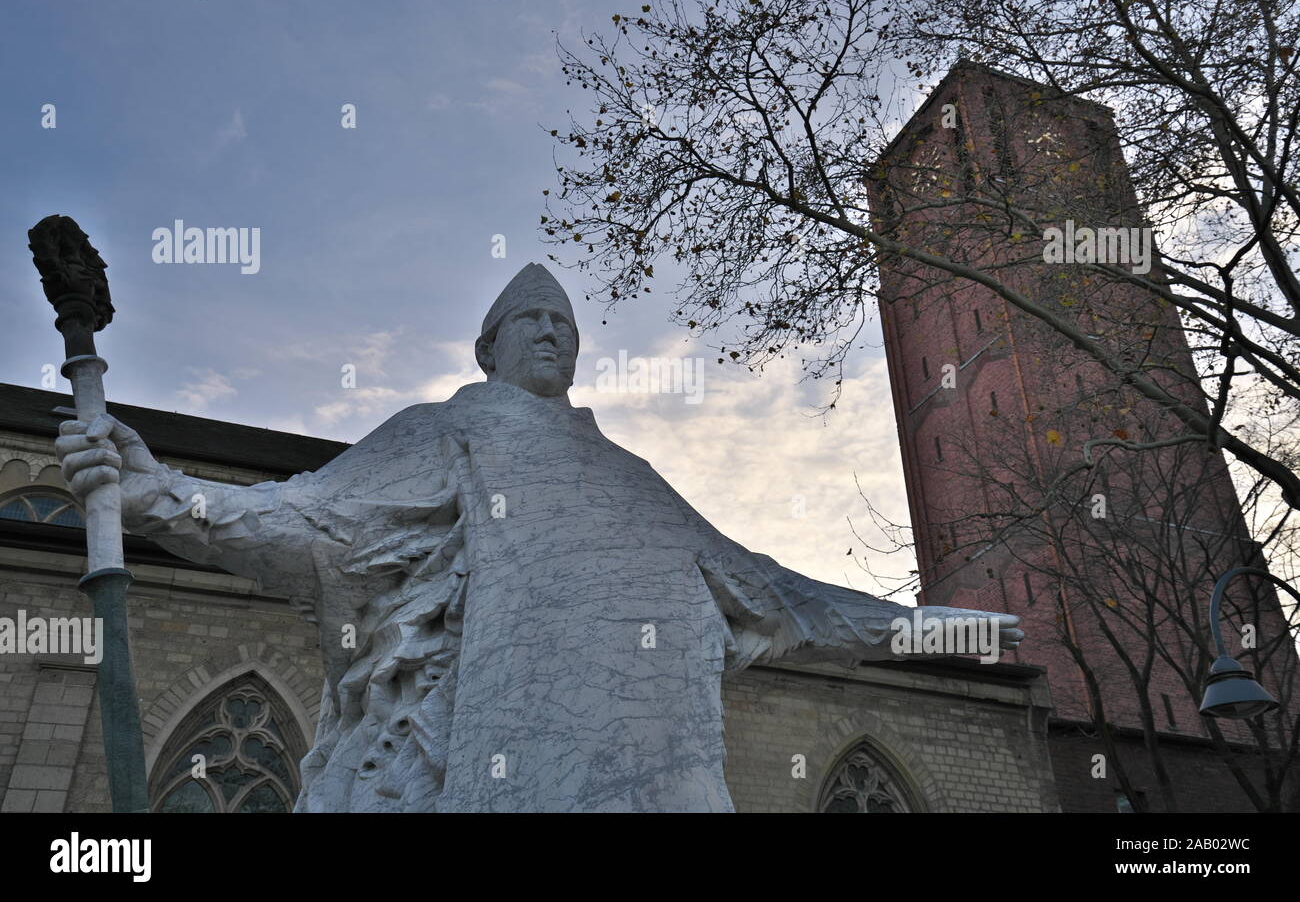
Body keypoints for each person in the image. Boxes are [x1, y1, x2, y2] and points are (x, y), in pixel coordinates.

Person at [57, 263, 1022, 811]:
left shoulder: (634, 484)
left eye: (563, 322)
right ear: (488, 348)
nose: (552, 332)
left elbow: (780, 594)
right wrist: (162, 498)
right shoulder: (446, 432)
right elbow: (313, 520)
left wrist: (941, 632)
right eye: (530, 320)